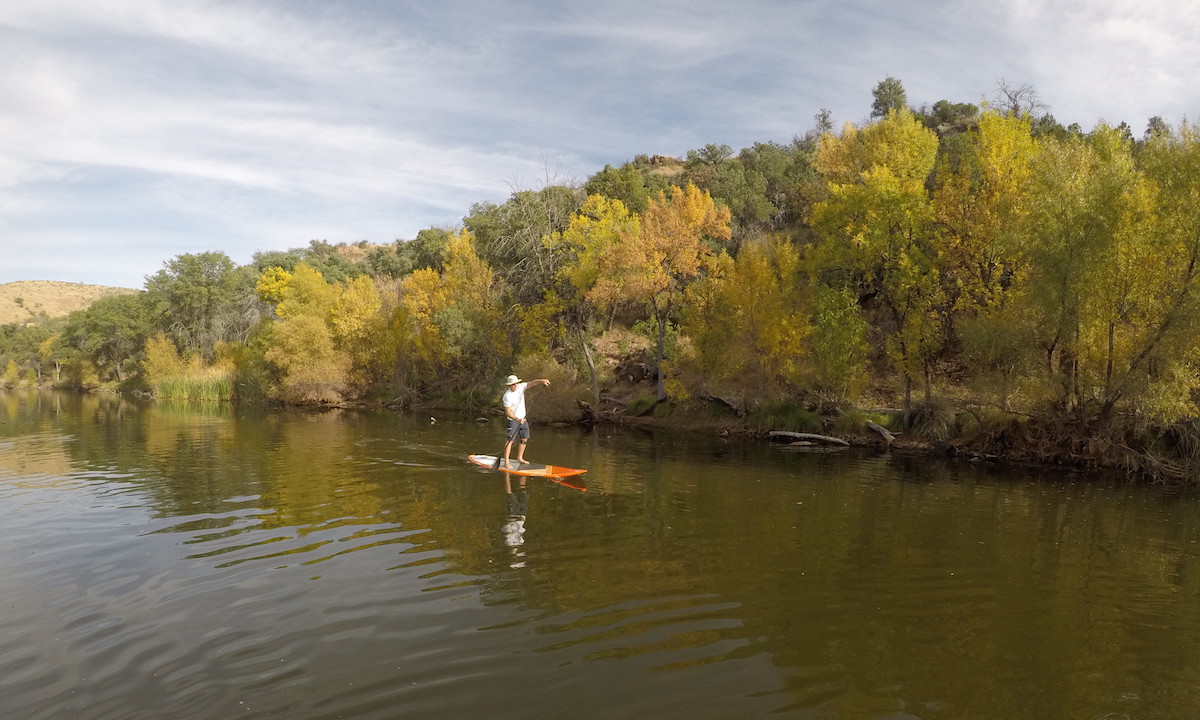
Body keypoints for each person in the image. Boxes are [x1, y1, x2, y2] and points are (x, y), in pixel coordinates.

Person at [502, 374, 549, 469]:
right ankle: (506, 461)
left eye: (515, 383)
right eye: (512, 384)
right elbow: (507, 412)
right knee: (510, 441)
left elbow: (533, 383)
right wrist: (517, 419)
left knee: (524, 438)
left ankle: (519, 458)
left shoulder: (521, 386)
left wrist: (542, 381)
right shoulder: (507, 396)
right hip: (513, 420)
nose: (514, 385)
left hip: (523, 419)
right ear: (509, 385)